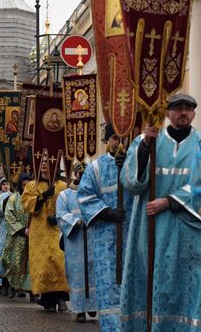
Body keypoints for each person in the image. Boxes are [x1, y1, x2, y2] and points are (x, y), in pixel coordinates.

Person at [120, 93, 200, 332]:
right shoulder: (148, 141)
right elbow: (132, 182)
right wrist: (145, 146)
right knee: (149, 277)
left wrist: (170, 201)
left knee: (187, 282)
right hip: (148, 227)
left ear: (193, 114)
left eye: (188, 109)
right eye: (177, 109)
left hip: (186, 231)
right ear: (167, 114)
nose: (183, 113)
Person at [77, 122, 128, 331]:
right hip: (105, 238)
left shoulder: (134, 164)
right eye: (115, 138)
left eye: (123, 138)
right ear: (108, 141)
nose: (119, 143)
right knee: (109, 286)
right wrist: (106, 212)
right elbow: (84, 197)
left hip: (130, 237)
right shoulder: (96, 167)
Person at [21, 157, 69, 312]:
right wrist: (42, 197)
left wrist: (60, 218)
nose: (43, 167)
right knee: (44, 266)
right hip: (40, 231)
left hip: (57, 229)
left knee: (59, 261)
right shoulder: (32, 185)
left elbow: (69, 204)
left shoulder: (62, 186)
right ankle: (48, 300)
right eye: (41, 164)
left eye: (46, 164)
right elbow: (27, 205)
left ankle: (61, 298)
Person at [57, 164, 97, 323]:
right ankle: (80, 309)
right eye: (80, 172)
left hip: (92, 236)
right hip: (75, 239)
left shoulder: (93, 192)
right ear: (75, 174)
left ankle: (93, 305)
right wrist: (75, 221)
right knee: (77, 273)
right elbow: (60, 215)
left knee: (93, 271)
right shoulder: (65, 195)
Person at [2, 173, 32, 299]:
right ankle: (13, 286)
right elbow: (9, 216)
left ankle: (31, 291)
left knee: (30, 265)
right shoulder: (13, 199)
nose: (25, 187)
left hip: (31, 236)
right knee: (14, 262)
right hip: (16, 236)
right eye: (23, 185)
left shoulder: (34, 198)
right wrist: (21, 230)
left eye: (28, 185)